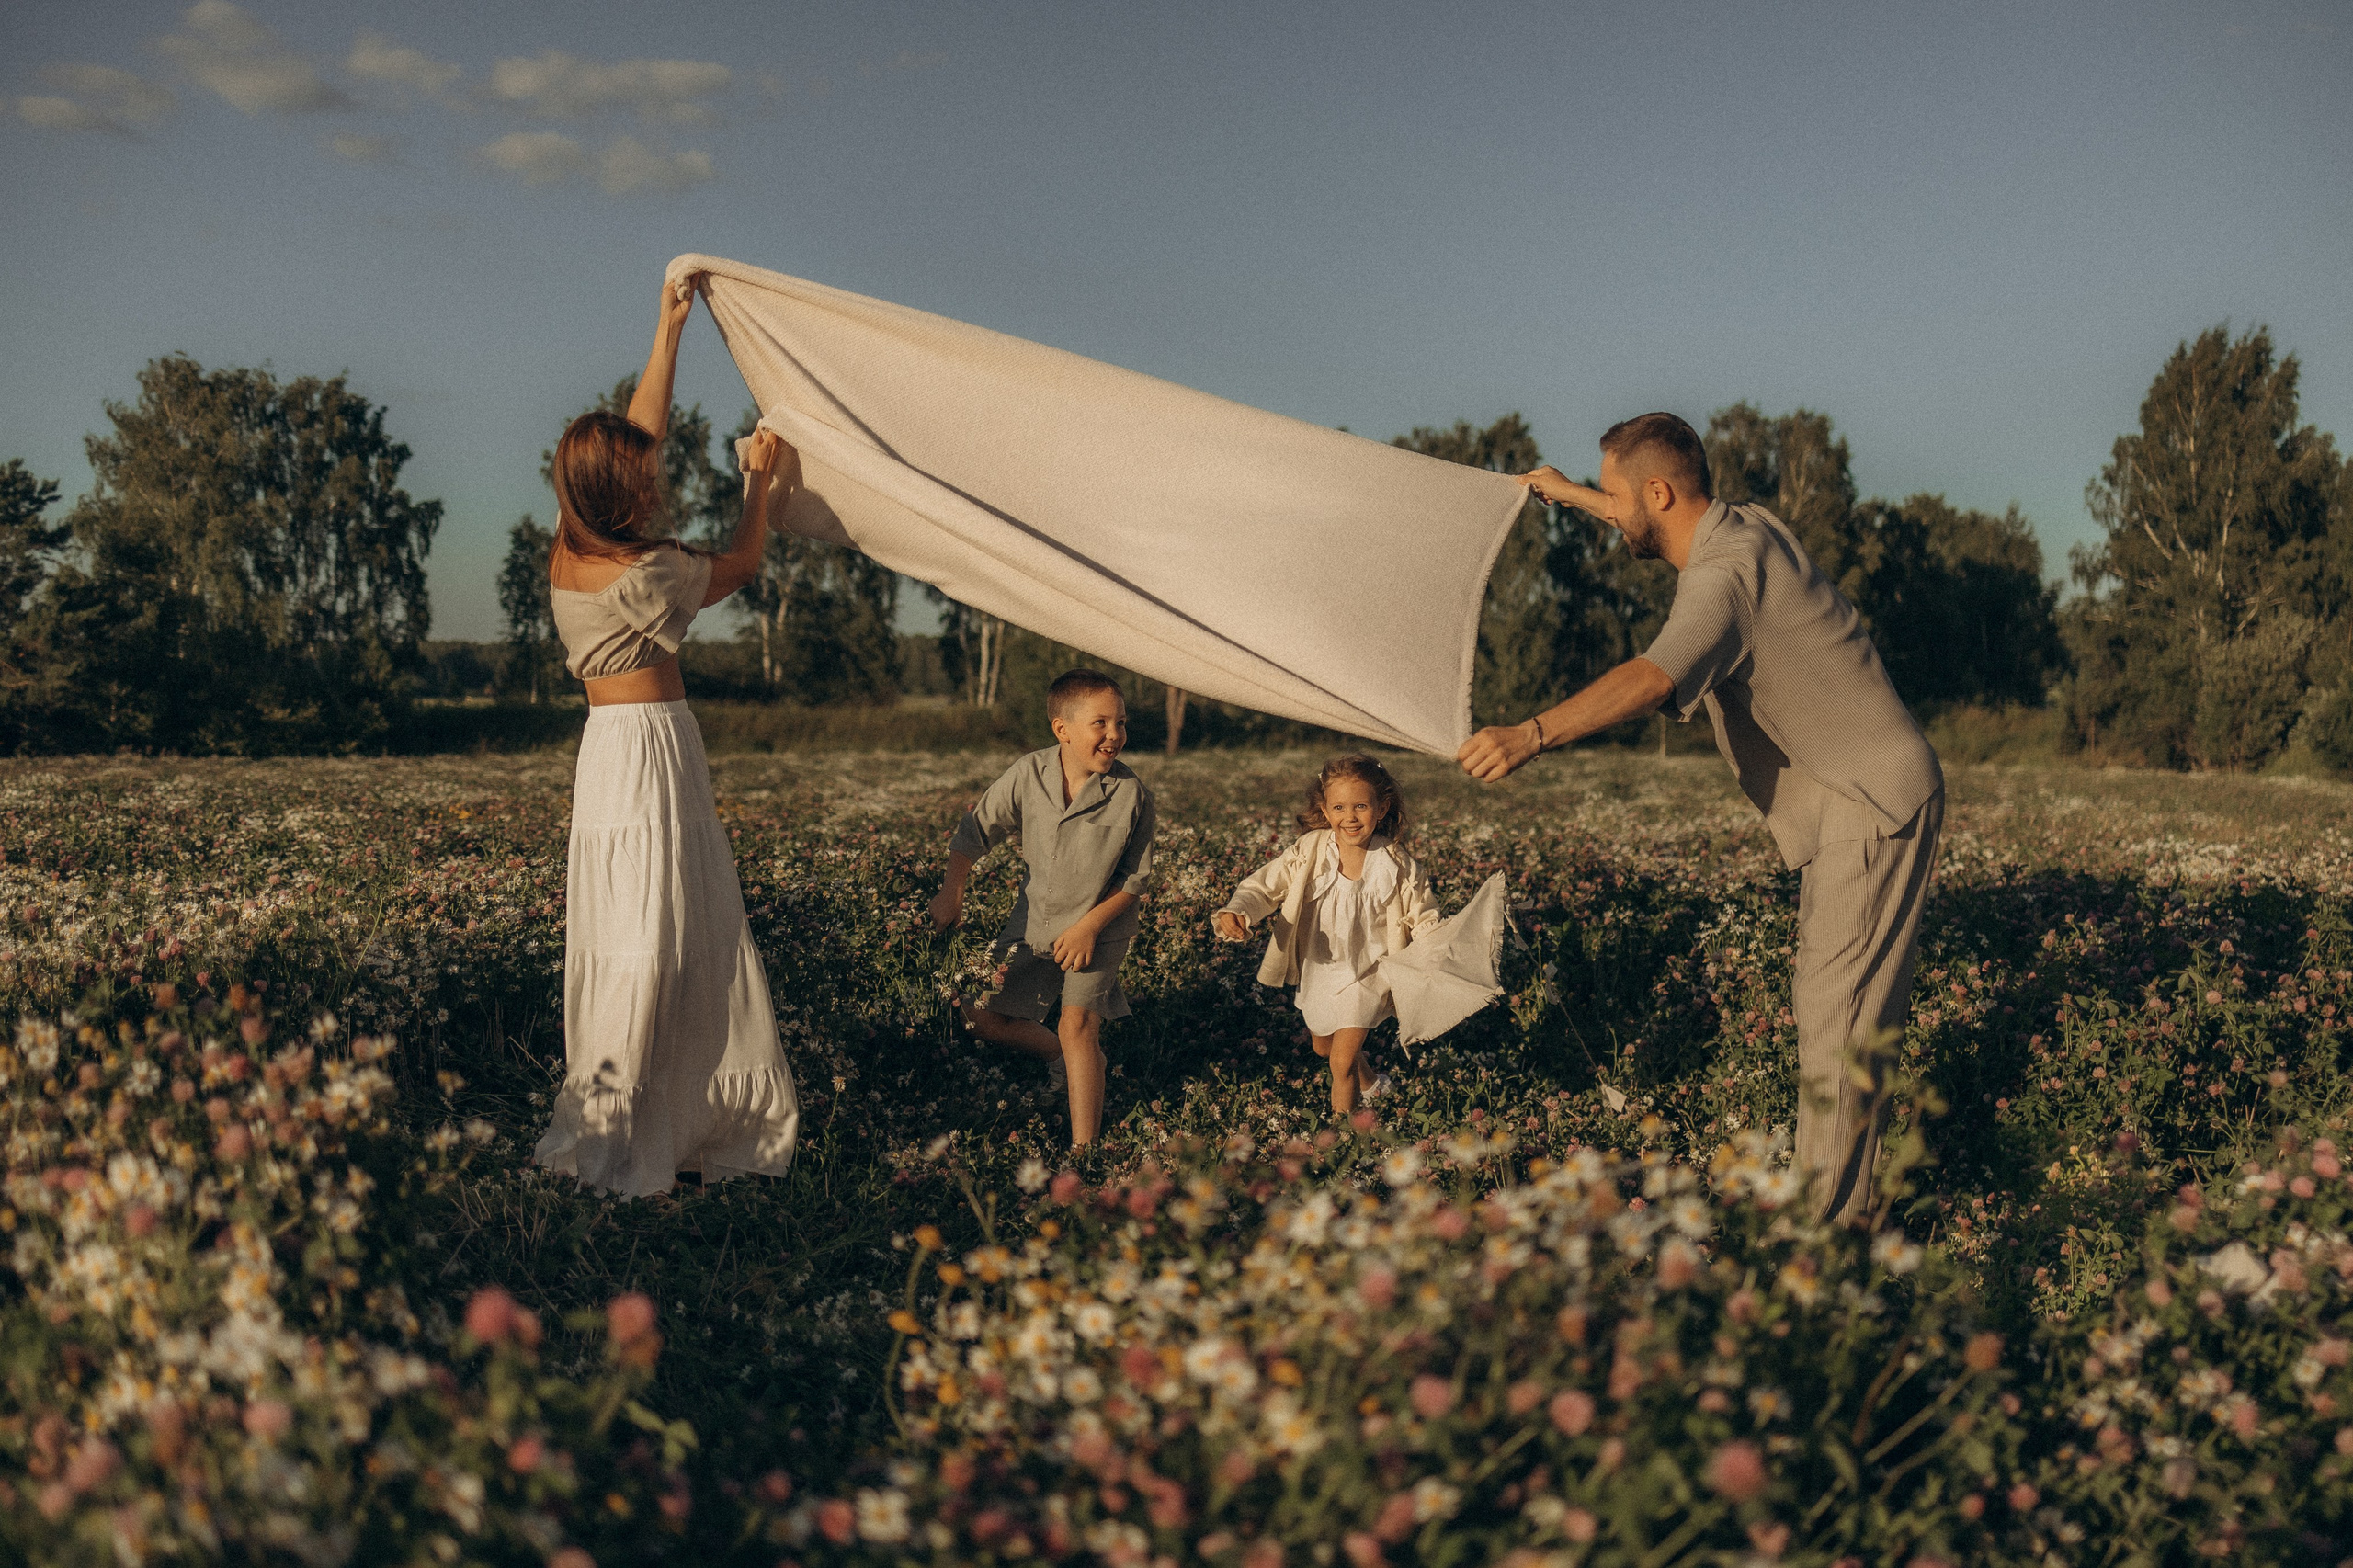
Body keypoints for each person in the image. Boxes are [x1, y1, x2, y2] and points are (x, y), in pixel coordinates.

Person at [1457, 412, 1944, 1226]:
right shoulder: (1745, 525)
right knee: (1850, 1018)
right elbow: (1645, 513)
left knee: (1835, 1016)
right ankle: (1852, 1211)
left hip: (1869, 804)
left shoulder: (1723, 578)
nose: (1612, 511)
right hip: (1876, 788)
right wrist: (1572, 495)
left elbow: (1653, 678)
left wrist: (1529, 734)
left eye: (1617, 494)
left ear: (1659, 491)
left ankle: (1818, 1241)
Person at [531, 272, 801, 1198]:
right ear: (622, 493)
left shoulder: (572, 547)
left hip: (620, 755)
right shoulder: (646, 571)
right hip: (648, 751)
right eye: (644, 474)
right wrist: (757, 482)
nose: (657, 472)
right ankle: (638, 1123)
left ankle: (661, 1114)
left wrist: (668, 327)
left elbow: (639, 432)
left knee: (646, 931)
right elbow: (747, 560)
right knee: (661, 938)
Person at [930, 669, 1158, 1145]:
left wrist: (1089, 927)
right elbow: (974, 832)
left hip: (1103, 925)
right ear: (1063, 729)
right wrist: (952, 892)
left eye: (1121, 723)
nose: (1114, 735)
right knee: (977, 1015)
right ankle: (1062, 1060)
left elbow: (1133, 883)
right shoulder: (1028, 773)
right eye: (1100, 723)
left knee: (1077, 1025)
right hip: (1034, 920)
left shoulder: (1132, 795)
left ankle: (1086, 1152)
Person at [1212, 755, 1440, 1116]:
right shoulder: (1311, 850)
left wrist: (1435, 946)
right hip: (1321, 968)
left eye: (1361, 806)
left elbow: (1422, 913)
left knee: (1339, 1062)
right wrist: (1237, 910)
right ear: (1325, 809)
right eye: (1339, 807)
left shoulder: (1397, 863)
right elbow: (1266, 886)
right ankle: (1372, 1083)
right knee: (1323, 1047)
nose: (1350, 817)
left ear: (1381, 809)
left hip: (1370, 973)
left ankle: (1343, 1141)